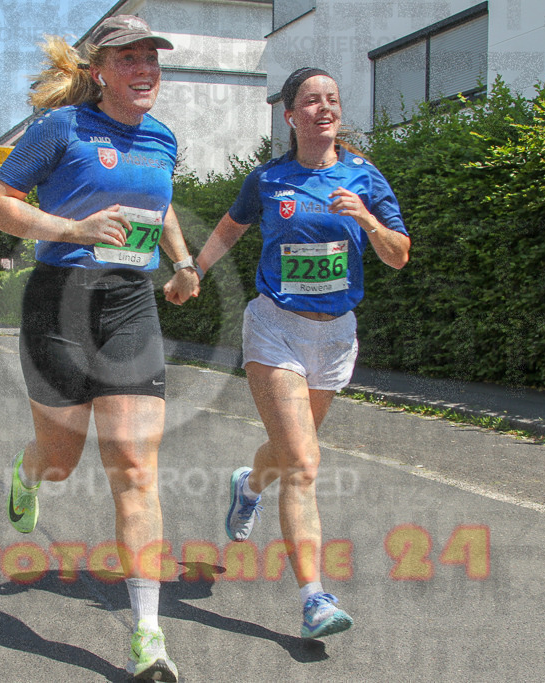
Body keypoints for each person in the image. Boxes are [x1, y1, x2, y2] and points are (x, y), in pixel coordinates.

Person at [0, 15, 198, 682]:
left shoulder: (162, 139)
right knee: (62, 457)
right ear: (99, 71)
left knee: (134, 464)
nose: (144, 69)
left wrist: (182, 263)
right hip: (60, 298)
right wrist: (73, 225)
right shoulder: (60, 129)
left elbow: (157, 207)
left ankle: (148, 633)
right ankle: (28, 470)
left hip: (129, 301)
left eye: (152, 58)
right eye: (128, 59)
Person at [194, 67, 411, 640]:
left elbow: (398, 255)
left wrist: (363, 218)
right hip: (275, 329)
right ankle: (315, 598)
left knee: (290, 451)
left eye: (332, 100)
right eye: (311, 101)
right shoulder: (269, 178)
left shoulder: (365, 177)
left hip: (335, 336)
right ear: (289, 116)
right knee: (304, 464)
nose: (324, 108)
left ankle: (247, 486)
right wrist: (193, 269)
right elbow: (232, 227)